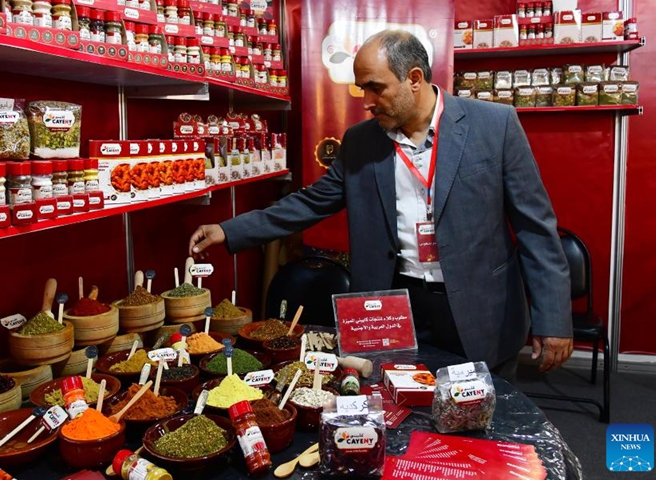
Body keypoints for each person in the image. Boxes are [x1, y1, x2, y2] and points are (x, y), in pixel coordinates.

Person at [189, 29, 573, 380]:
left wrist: (553, 317)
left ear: (415, 78)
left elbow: (534, 227)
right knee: (400, 416)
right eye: (362, 90)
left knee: (483, 425)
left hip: (481, 308)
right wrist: (229, 229)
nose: (367, 103)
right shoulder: (361, 142)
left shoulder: (495, 125)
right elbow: (311, 202)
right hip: (395, 306)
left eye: (375, 88)